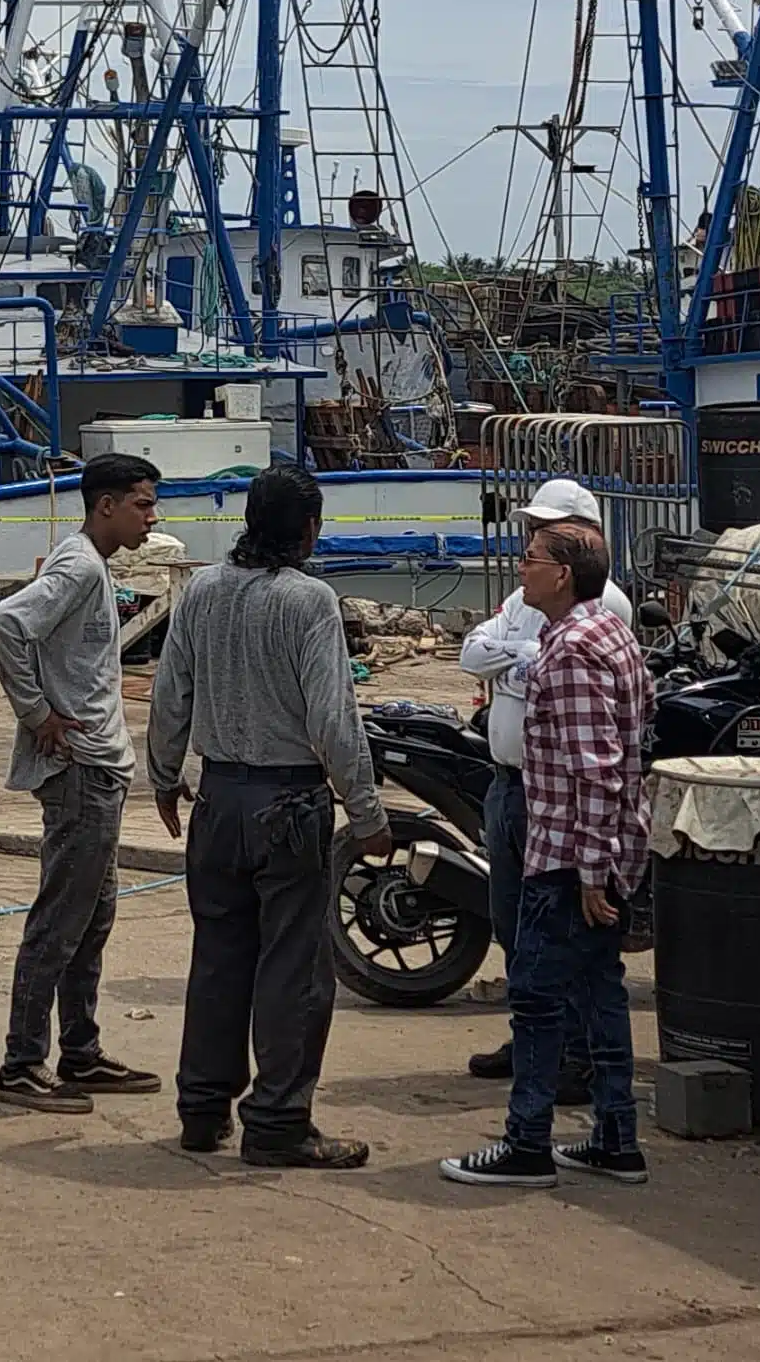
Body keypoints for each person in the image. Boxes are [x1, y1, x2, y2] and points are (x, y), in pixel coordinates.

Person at [144, 464, 390, 1169]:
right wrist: (367, 813)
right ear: (307, 529)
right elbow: (335, 722)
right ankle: (279, 1120)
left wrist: (163, 778)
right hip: (289, 803)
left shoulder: (201, 592)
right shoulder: (309, 601)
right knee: (293, 969)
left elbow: (169, 696)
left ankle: (202, 1107)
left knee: (219, 959)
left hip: (218, 800)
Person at [442, 522, 653, 1190]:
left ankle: (526, 1141)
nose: (521, 571)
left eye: (530, 561)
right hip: (598, 850)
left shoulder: (571, 651)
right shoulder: (606, 633)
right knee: (598, 991)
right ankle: (616, 1138)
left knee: (536, 996)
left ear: (562, 574)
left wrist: (591, 872)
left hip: (570, 858)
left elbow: (596, 768)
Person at [0, 451, 165, 1111]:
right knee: (61, 919)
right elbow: (4, 624)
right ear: (106, 506)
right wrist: (37, 714)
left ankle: (80, 1053)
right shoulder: (81, 566)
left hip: (101, 768)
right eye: (141, 503)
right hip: (80, 772)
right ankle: (22, 1064)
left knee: (92, 918)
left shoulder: (91, 567)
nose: (151, 517)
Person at [458, 478, 631, 1088]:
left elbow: (593, 757)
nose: (528, 546)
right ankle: (533, 1033)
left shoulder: (601, 609)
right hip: (509, 781)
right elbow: (474, 652)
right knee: (513, 925)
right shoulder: (525, 596)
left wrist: (593, 856)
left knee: (563, 936)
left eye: (543, 535)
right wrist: (515, 656)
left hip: (553, 797)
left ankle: (573, 1058)